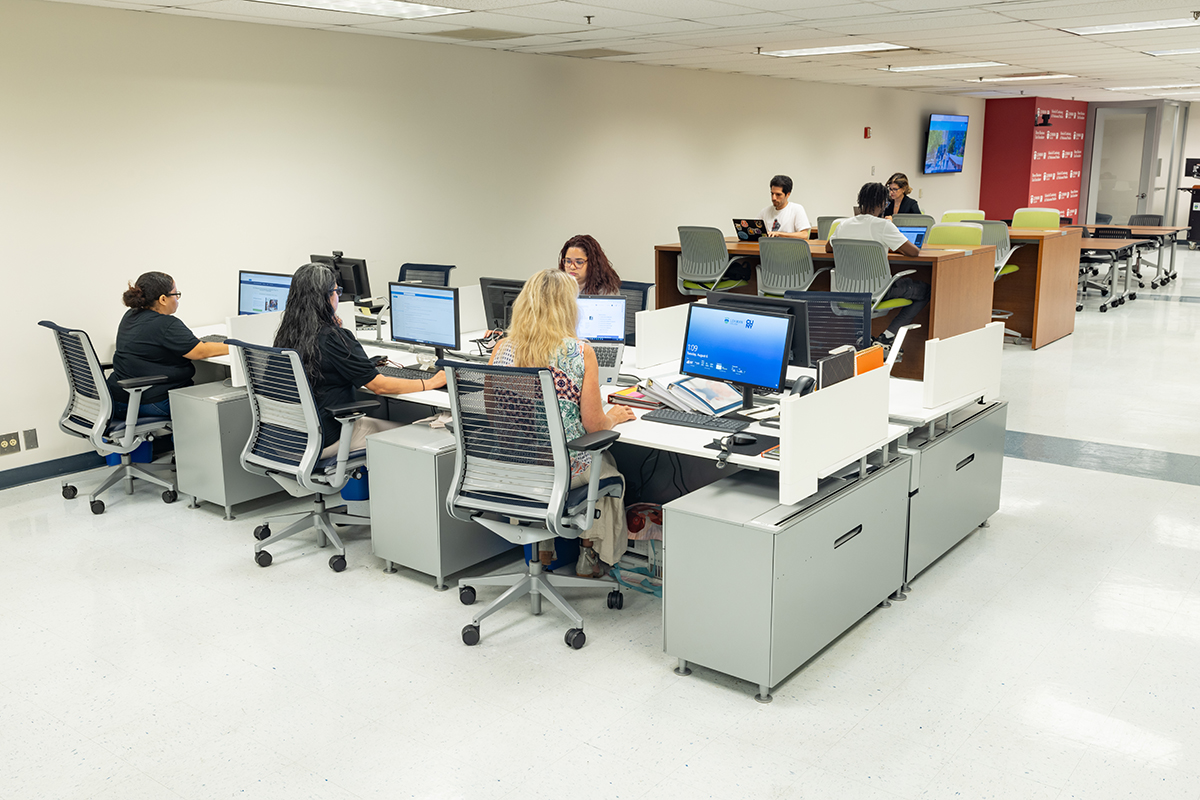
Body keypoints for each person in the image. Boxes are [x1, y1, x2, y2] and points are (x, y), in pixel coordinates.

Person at [489, 269, 636, 577]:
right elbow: (595, 426)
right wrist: (616, 416)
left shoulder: (501, 349)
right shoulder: (580, 351)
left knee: (561, 455)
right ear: (567, 307)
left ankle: (543, 551)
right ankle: (588, 557)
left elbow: (494, 413)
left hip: (517, 465)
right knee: (605, 463)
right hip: (561, 469)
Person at [273, 263, 446, 458]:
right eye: (337, 291)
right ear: (326, 298)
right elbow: (380, 387)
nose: (338, 295)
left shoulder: (288, 333)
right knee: (422, 437)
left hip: (287, 438)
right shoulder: (332, 337)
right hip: (326, 437)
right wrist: (431, 382)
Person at [109, 271, 230, 418]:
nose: (177, 299)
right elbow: (200, 352)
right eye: (175, 294)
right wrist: (237, 345)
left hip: (118, 400)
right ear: (163, 299)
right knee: (211, 407)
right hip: (150, 402)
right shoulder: (166, 324)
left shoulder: (131, 315)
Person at [827, 182, 930, 349]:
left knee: (858, 286)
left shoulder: (844, 225)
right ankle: (888, 335)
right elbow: (913, 252)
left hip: (847, 289)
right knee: (926, 290)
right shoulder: (883, 225)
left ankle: (861, 337)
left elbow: (828, 247)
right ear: (883, 203)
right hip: (880, 291)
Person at [760, 174, 811, 239]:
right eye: (772, 193)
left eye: (778, 194)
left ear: (788, 194)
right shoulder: (765, 211)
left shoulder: (797, 209)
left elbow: (804, 235)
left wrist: (779, 234)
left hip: (788, 247)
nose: (773, 198)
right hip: (768, 247)